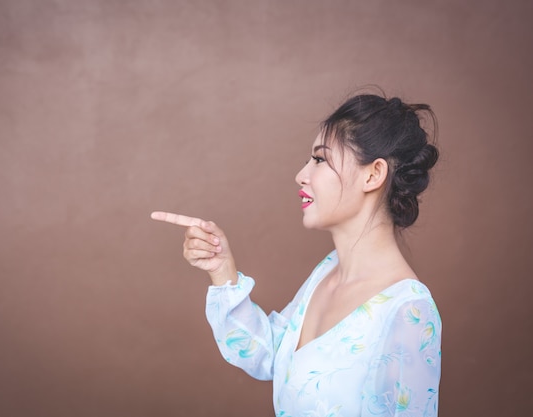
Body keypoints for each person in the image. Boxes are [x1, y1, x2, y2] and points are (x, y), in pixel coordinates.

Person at [151, 92, 442, 416]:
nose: (301, 175)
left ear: (372, 174)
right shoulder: (327, 272)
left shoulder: (407, 311)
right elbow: (270, 355)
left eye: (320, 160)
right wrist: (222, 271)